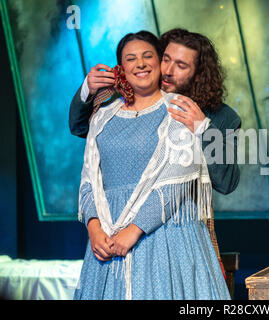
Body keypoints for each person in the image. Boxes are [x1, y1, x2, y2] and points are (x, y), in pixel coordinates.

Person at [69, 28, 241, 278]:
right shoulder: (131, 98)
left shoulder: (220, 117)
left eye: (181, 65)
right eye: (166, 59)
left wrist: (203, 129)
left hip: (177, 232)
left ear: (198, 74)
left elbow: (226, 182)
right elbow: (82, 127)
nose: (169, 70)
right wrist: (88, 88)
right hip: (118, 231)